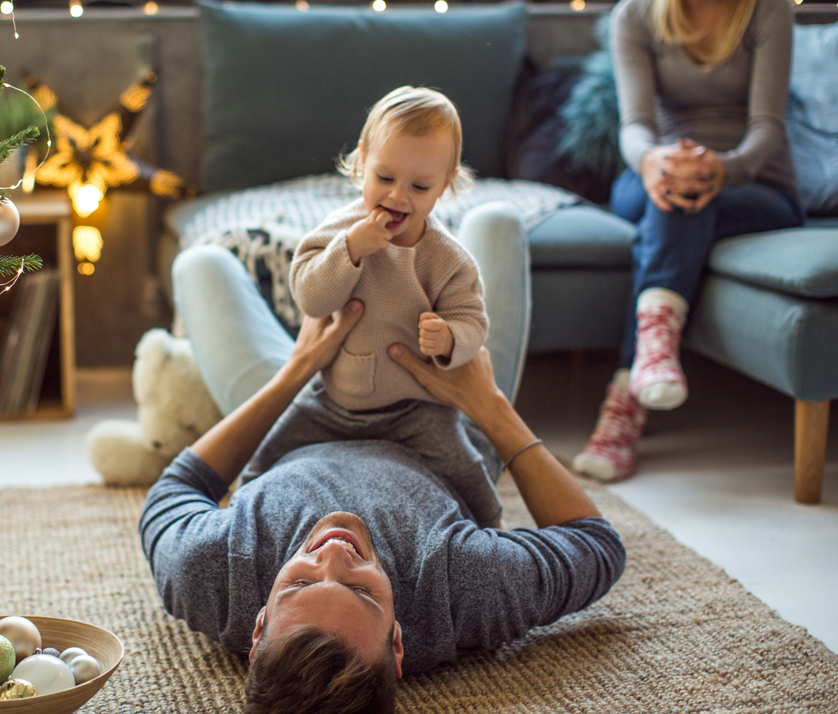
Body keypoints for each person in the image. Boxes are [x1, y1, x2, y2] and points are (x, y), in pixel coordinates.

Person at [140, 244, 625, 714]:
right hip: (445, 416)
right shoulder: (463, 587)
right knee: (493, 222)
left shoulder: (209, 572)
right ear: (397, 644)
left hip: (293, 416)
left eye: (298, 584)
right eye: (361, 591)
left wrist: (296, 370)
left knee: (199, 262)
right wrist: (489, 406)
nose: (333, 552)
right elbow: (596, 543)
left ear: (258, 626)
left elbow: (176, 489)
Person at [572, 0, 805, 483]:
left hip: (755, 184)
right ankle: (650, 357)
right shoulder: (637, 13)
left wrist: (721, 168)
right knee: (673, 195)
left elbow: (766, 130)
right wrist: (654, 162)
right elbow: (634, 127)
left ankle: (626, 400)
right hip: (654, 173)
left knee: (683, 199)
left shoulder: (768, 6)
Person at [238, 85, 500, 526]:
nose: (398, 197)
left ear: (446, 186)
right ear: (361, 163)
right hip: (331, 402)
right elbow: (310, 297)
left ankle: (491, 532)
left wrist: (451, 337)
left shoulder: (447, 258)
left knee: (468, 472)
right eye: (384, 178)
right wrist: (351, 250)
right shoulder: (339, 231)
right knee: (264, 455)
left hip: (417, 411)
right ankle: (239, 521)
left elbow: (473, 320)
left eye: (420, 186)